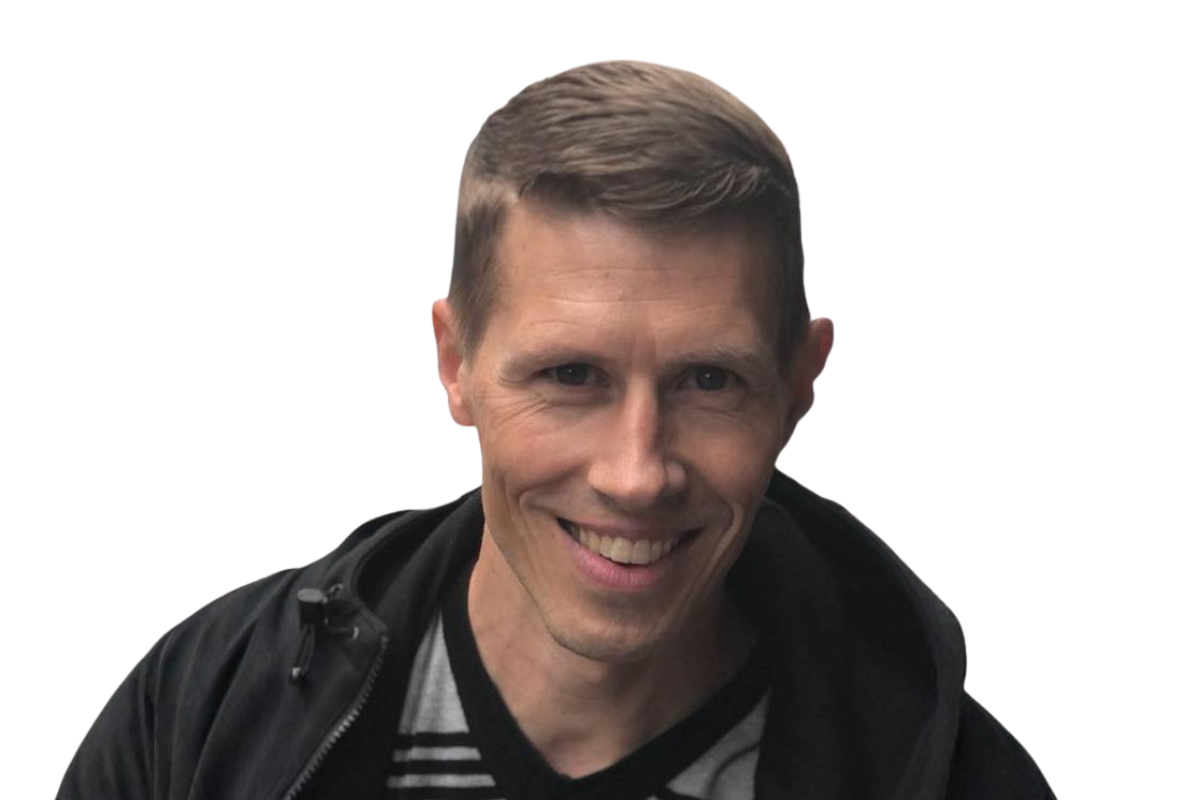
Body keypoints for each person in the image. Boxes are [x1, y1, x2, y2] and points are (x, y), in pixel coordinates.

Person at [56, 59, 1056, 799]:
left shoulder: (956, 779)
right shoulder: (201, 712)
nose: (636, 472)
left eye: (709, 380)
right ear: (455, 362)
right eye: (571, 376)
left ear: (800, 384)